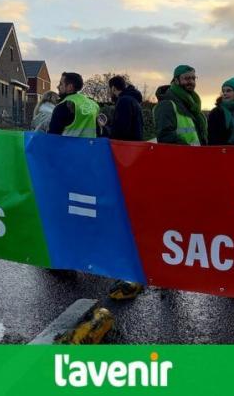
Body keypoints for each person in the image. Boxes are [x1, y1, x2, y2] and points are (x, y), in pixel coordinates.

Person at [106, 75, 144, 299]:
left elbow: (119, 132)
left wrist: (105, 127)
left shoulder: (123, 102)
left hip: (123, 155)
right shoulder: (136, 101)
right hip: (134, 153)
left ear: (114, 88)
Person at [154, 65, 208, 146]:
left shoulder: (193, 103)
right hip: (181, 157)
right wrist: (189, 151)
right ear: (176, 80)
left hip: (197, 156)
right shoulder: (166, 105)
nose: (191, 82)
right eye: (187, 78)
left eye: (193, 78)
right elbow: (165, 137)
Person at [48, 72, 100, 137]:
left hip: (69, 146)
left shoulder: (63, 106)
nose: (58, 86)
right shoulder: (94, 105)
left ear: (70, 87)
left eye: (61, 84)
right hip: (90, 146)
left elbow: (52, 136)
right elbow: (99, 132)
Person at [208, 77, 234, 146]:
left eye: (228, 91)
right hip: (221, 153)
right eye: (223, 91)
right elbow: (211, 138)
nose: (225, 93)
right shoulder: (216, 112)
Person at [108, 75, 143, 141]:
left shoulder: (123, 101)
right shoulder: (134, 100)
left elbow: (121, 129)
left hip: (126, 146)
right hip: (135, 145)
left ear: (113, 88)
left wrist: (106, 130)